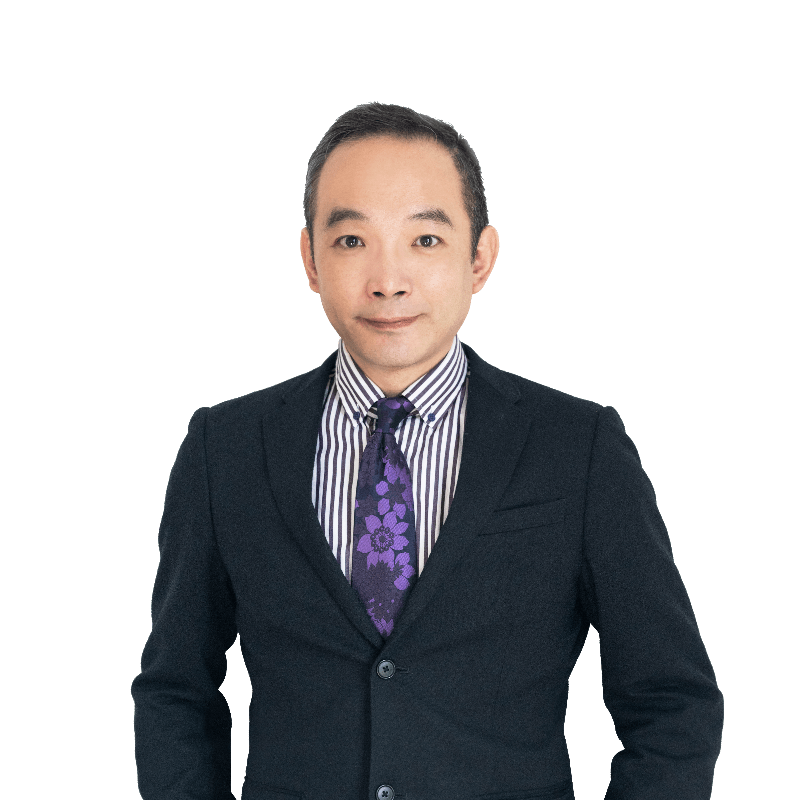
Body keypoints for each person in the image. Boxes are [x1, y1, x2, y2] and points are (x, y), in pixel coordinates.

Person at [131, 102, 723, 800]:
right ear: (310, 258)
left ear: (481, 258)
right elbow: (176, 690)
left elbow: (671, 702)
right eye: (353, 240)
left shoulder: (579, 447)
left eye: (426, 239)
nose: (389, 280)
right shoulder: (224, 448)